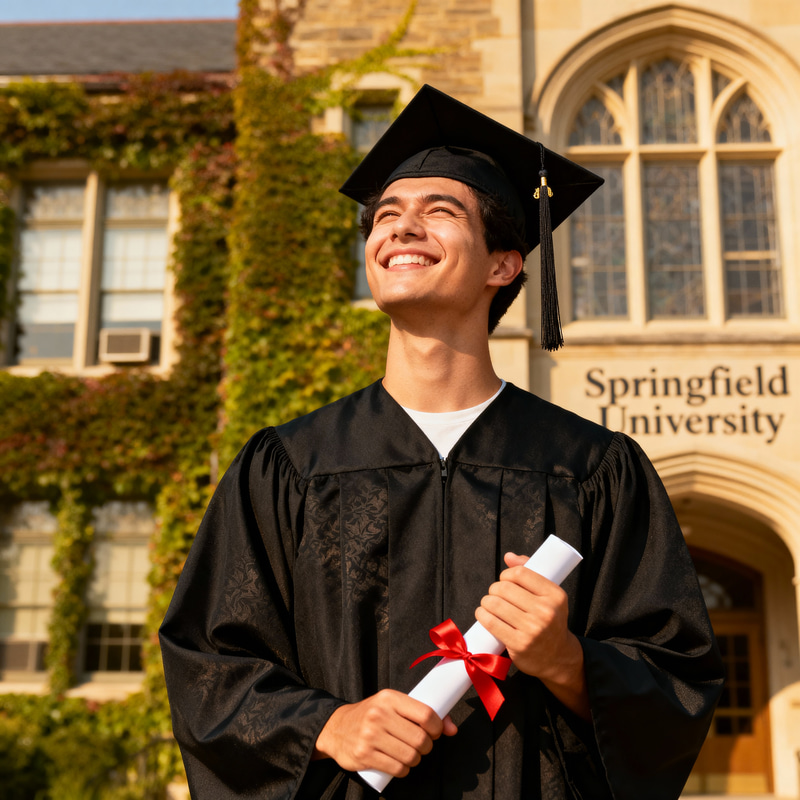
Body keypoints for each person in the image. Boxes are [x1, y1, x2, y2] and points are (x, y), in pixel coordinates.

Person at [159, 85, 723, 800]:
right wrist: (325, 727)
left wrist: (565, 661)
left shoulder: (593, 470)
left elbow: (677, 679)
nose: (401, 228)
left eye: (439, 212)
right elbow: (208, 660)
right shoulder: (289, 468)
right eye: (385, 217)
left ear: (503, 265)